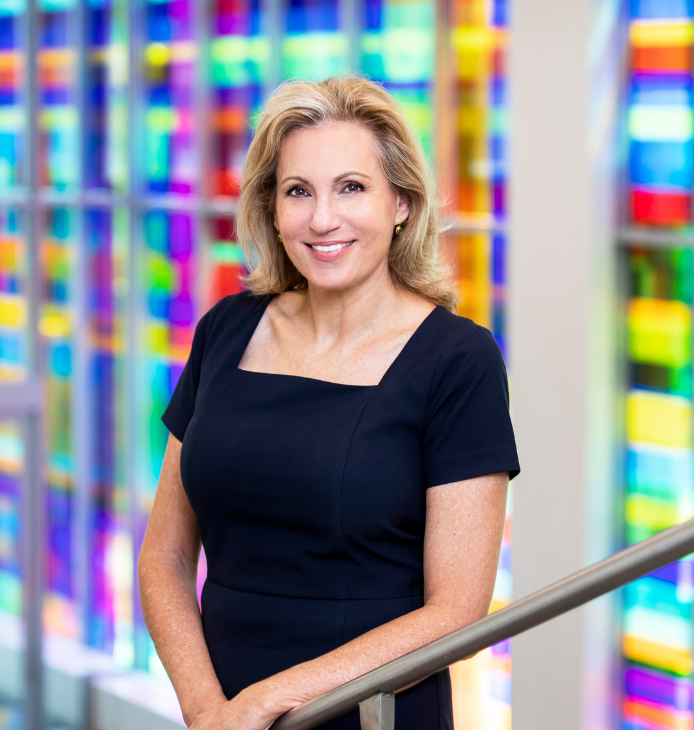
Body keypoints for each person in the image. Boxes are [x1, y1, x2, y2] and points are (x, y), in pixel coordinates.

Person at [137, 75, 520, 730]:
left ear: (401, 201)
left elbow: (457, 607)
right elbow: (164, 556)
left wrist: (268, 700)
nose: (322, 218)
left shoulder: (458, 359)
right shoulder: (226, 330)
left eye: (352, 187)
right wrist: (208, 711)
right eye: (298, 192)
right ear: (272, 208)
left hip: (374, 711)